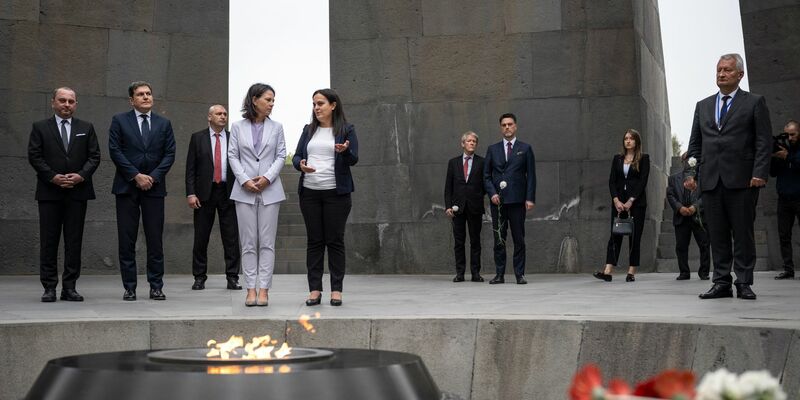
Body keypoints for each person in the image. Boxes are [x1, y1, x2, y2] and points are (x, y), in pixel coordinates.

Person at [686, 53, 772, 300]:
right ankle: (721, 281)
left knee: (743, 233)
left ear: (740, 75)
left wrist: (759, 173)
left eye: (727, 70)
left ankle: (744, 282)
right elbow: (695, 145)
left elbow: (763, 141)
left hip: (743, 180)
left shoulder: (754, 102)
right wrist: (691, 173)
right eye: (719, 70)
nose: (721, 74)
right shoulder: (702, 106)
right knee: (717, 233)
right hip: (711, 181)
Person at [27, 87, 101, 302]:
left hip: (77, 193)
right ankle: (49, 287)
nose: (66, 105)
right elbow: (35, 155)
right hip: (50, 192)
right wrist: (52, 177)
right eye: (62, 100)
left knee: (73, 241)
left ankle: (70, 287)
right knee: (49, 241)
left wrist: (80, 176)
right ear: (53, 102)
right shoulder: (40, 127)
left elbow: (94, 157)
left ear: (76, 104)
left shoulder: (86, 128)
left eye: (71, 101)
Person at [109, 81, 176, 301]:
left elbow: (169, 154)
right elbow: (115, 150)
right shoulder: (119, 121)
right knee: (127, 239)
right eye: (140, 94)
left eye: (149, 93)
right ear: (132, 100)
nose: (146, 97)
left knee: (155, 239)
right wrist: (136, 175)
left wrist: (153, 177)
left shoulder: (163, 123)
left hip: (154, 189)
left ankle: (156, 286)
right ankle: (129, 287)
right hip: (127, 187)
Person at [292, 89, 358, 307]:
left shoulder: (346, 130)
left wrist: (344, 151)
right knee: (315, 241)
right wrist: (300, 164)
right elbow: (298, 155)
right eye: (314, 104)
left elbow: (353, 159)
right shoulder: (308, 130)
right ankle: (315, 290)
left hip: (336, 194)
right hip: (310, 193)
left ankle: (337, 290)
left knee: (335, 241)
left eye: (320, 103)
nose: (316, 108)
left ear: (333, 105)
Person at [228, 83, 286, 307]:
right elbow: (232, 155)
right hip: (243, 191)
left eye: (273, 100)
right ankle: (250, 289)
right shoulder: (237, 126)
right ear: (254, 100)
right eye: (268, 99)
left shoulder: (277, 127)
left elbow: (281, 155)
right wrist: (244, 179)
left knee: (267, 243)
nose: (271, 104)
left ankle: (264, 290)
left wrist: (267, 178)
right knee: (248, 243)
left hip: (270, 190)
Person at [185, 105, 242, 291]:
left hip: (228, 192)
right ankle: (199, 277)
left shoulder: (233, 136)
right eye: (219, 114)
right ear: (209, 117)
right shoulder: (197, 138)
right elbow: (190, 169)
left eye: (225, 114)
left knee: (231, 238)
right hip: (204, 194)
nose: (223, 116)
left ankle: (232, 277)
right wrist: (191, 193)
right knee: (201, 237)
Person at [484, 113, 536, 285]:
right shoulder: (493, 149)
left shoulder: (525, 148)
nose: (507, 127)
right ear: (501, 128)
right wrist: (492, 193)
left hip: (517, 201)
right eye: (504, 125)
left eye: (510, 124)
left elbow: (531, 176)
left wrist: (529, 198)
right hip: (498, 202)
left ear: (515, 126)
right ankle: (499, 274)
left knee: (519, 238)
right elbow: (486, 176)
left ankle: (519, 274)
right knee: (499, 238)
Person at [594, 129, 650, 283]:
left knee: (634, 237)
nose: (628, 141)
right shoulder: (617, 159)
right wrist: (616, 200)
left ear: (636, 141)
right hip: (619, 204)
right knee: (615, 236)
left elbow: (642, 181)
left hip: (637, 204)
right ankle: (608, 270)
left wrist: (631, 200)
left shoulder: (644, 159)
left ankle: (631, 271)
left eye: (631, 138)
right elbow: (612, 181)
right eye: (626, 138)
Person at [444, 131, 485, 283]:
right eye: (469, 141)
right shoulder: (453, 163)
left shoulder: (482, 162)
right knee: (459, 242)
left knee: (475, 241)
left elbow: (486, 184)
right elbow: (448, 187)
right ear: (463, 144)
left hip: (475, 207)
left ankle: (475, 273)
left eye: (474, 141)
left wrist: (478, 195)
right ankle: (460, 273)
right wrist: (448, 206)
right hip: (457, 208)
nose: (472, 143)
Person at [666, 156, 710, 281]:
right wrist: (680, 208)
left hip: (698, 216)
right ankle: (684, 272)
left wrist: (695, 207)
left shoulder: (702, 177)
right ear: (682, 161)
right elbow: (670, 195)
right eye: (685, 160)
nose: (688, 163)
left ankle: (704, 272)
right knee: (681, 246)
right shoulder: (673, 178)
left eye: (690, 160)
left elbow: (706, 195)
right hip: (681, 216)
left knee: (705, 245)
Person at [770, 120, 800, 280]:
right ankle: (788, 269)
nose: (790, 138)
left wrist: (787, 157)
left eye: (793, 134)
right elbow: (773, 173)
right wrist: (775, 157)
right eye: (787, 135)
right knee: (784, 235)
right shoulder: (782, 149)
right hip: (784, 199)